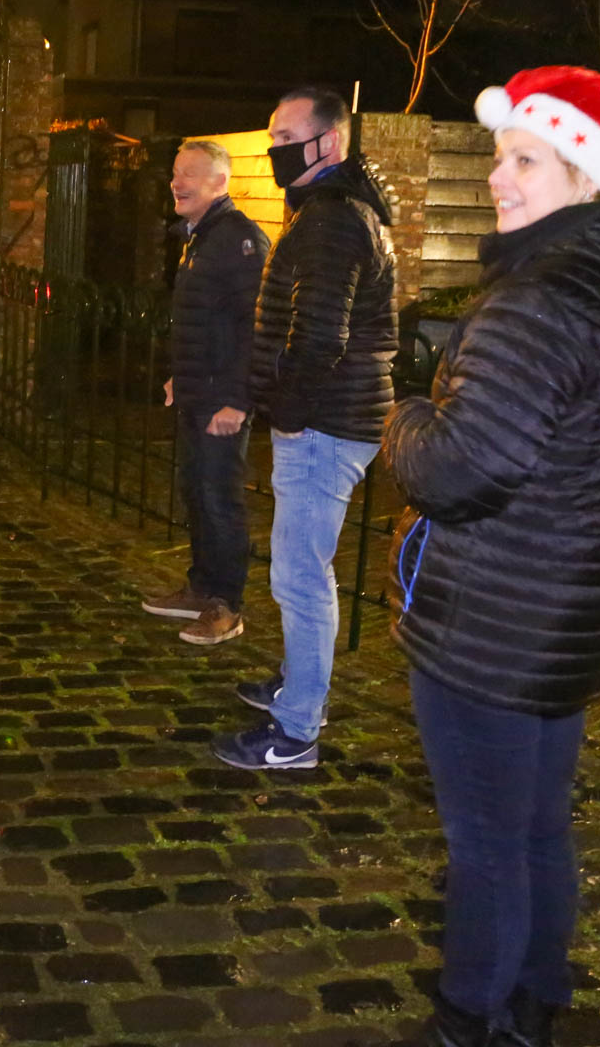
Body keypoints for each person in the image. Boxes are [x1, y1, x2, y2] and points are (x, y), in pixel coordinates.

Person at [384, 66, 600, 1047]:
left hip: (492, 623)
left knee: (486, 842)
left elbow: (458, 469)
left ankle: (468, 1015)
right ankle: (537, 997)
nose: (498, 177)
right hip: (574, 622)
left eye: (525, 160)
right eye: (500, 157)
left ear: (585, 176)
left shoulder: (542, 299)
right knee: (537, 825)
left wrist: (406, 414)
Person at [212, 86, 396, 771]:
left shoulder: (330, 221)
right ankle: (296, 686)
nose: (275, 149)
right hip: (335, 416)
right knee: (302, 569)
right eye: (272, 136)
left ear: (330, 142)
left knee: (300, 577)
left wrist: (286, 410)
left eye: (288, 137)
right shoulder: (339, 211)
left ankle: (296, 732)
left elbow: (319, 335)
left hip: (325, 421)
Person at [142, 139, 268, 644]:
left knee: (219, 498)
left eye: (190, 173)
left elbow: (255, 328)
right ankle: (201, 588)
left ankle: (226, 605)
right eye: (176, 172)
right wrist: (181, 375)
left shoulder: (239, 240)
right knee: (196, 491)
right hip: (199, 391)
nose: (177, 182)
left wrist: (238, 400)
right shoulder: (202, 238)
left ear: (220, 181)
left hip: (223, 399)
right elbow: (200, 321)